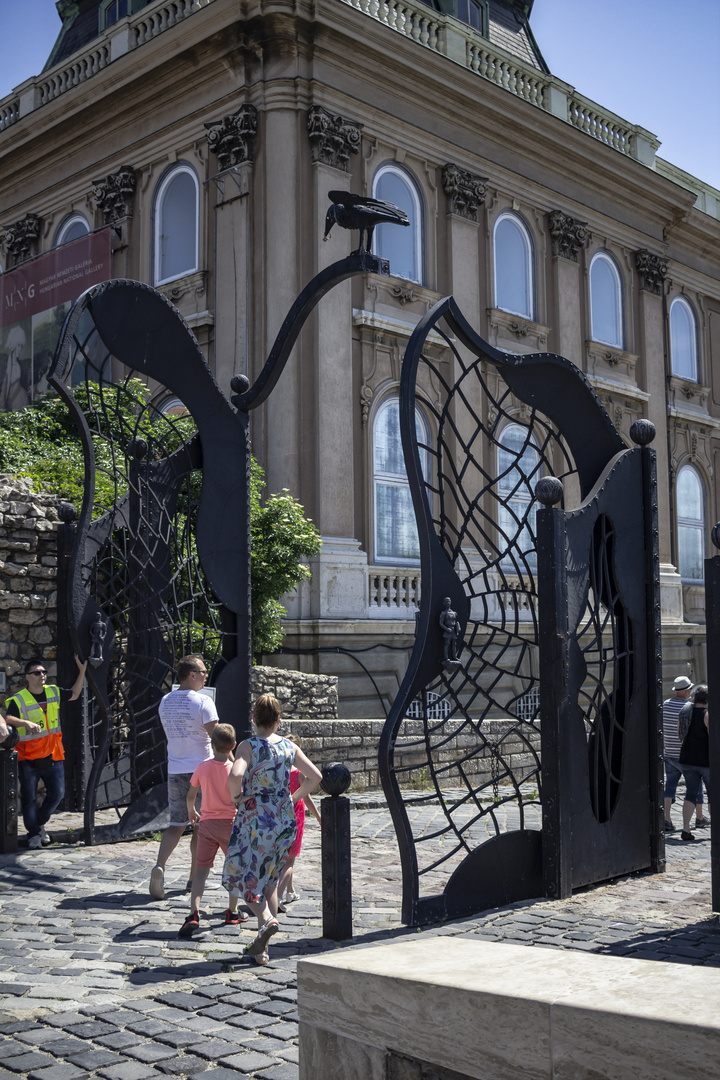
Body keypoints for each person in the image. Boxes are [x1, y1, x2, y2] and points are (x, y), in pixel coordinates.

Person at [223, 694, 322, 966]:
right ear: (279, 721)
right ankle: (262, 949)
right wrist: (293, 797)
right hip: (283, 821)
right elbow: (316, 777)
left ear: (254, 718)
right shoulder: (289, 747)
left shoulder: (248, 746)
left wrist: (236, 797)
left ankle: (267, 919)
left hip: (255, 822)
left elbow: (235, 774)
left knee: (241, 876)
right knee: (269, 883)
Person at [150, 654, 218, 900]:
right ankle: (193, 880)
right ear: (191, 675)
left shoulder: (165, 701)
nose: (205, 676)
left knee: (176, 824)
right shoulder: (204, 701)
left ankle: (159, 866)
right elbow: (218, 739)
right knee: (200, 827)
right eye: (202, 672)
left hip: (176, 769)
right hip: (202, 770)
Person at [3, 655, 87, 848]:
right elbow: (8, 719)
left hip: (52, 755)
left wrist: (82, 672)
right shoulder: (18, 699)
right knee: (29, 798)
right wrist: (25, 723)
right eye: (37, 673)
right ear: (27, 677)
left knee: (57, 793)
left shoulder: (53, 692)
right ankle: (34, 834)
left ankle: (39, 824)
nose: (42, 675)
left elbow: (74, 694)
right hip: (29, 758)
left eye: (43, 672)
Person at [178, 723, 250, 938]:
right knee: (234, 869)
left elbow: (191, 794)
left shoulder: (203, 767)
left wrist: (192, 812)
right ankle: (233, 911)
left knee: (201, 871)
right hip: (231, 825)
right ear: (234, 746)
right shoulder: (235, 771)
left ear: (211, 744)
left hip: (207, 825)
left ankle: (193, 913)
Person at [277, 733, 321, 908]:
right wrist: (318, 816)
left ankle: (290, 891)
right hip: (295, 817)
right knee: (290, 861)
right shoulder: (299, 775)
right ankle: (278, 896)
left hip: (278, 817)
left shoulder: (278, 772)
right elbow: (307, 799)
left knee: (282, 856)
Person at [662, 676, 707, 831]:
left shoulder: (665, 704)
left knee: (669, 786)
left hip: (669, 752)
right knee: (696, 787)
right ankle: (699, 817)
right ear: (687, 690)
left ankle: (666, 819)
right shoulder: (689, 707)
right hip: (685, 754)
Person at [678, 684, 710, 842]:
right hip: (706, 761)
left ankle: (685, 828)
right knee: (713, 795)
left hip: (687, 759)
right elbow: (712, 739)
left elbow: (680, 734)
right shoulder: (706, 715)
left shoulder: (685, 712)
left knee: (690, 794)